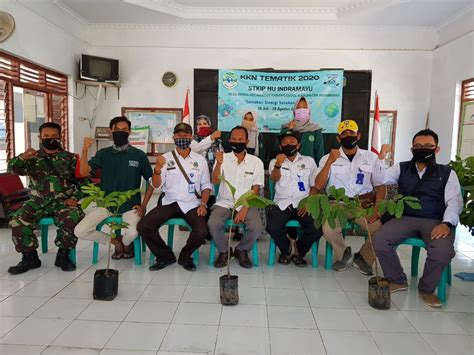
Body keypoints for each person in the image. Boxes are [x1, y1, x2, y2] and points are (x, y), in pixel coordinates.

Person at [374, 129, 463, 307]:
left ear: (436, 149)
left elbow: (455, 201)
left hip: (435, 220)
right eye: (418, 146)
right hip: (405, 217)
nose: (422, 149)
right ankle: (397, 279)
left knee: (441, 251)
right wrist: (381, 158)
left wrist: (446, 224)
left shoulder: (446, 173)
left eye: (428, 146)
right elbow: (381, 179)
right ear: (412, 149)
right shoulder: (401, 167)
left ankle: (427, 289)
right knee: (380, 239)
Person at [7, 122, 84, 274]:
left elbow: (84, 184)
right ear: (40, 138)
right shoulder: (32, 158)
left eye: (54, 136)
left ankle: (63, 255)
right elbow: (13, 169)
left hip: (63, 201)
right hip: (37, 201)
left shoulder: (70, 158)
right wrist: (24, 156)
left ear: (60, 137)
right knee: (17, 220)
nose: (50, 139)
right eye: (46, 136)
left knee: (72, 218)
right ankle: (30, 258)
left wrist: (75, 198)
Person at [75, 116, 154, 259]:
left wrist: (143, 205)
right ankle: (116, 243)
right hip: (105, 205)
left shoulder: (138, 155)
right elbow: (83, 172)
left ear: (130, 132)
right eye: (116, 129)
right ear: (111, 131)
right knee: (80, 231)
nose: (120, 132)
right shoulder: (103, 154)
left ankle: (126, 244)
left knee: (132, 233)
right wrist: (85, 150)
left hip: (131, 206)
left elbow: (152, 181)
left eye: (124, 129)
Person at [137, 123, 212, 272]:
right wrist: (157, 170)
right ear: (174, 137)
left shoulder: (200, 160)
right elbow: (157, 185)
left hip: (192, 203)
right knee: (144, 226)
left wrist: (203, 204)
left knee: (202, 231)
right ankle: (165, 256)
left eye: (186, 135)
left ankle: (185, 257)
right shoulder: (164, 159)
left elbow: (206, 186)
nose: (182, 138)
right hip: (169, 203)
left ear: (191, 137)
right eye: (179, 135)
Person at [315, 120, 388, 273]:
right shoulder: (327, 158)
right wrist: (329, 162)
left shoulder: (371, 157)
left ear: (358, 135)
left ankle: (363, 258)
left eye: (351, 133)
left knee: (378, 229)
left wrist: (377, 207)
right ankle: (343, 253)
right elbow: (318, 185)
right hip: (336, 204)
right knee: (328, 229)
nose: (348, 136)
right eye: (344, 134)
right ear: (338, 138)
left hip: (363, 203)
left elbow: (381, 185)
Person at [208, 126, 264, 269]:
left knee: (256, 226)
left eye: (240, 139)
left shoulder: (256, 162)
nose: (237, 142)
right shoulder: (223, 158)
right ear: (229, 140)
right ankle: (224, 251)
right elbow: (214, 181)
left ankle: (241, 250)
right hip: (224, 202)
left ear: (247, 141)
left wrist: (245, 209)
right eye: (234, 139)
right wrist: (218, 164)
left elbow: (255, 189)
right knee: (213, 223)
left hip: (246, 203)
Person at [267, 130, 322, 266]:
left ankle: (298, 251)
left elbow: (315, 186)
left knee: (316, 228)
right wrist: (278, 164)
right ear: (280, 147)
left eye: (292, 142)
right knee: (272, 226)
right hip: (282, 203)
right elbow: (274, 179)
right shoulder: (275, 161)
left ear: (298, 145)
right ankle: (286, 250)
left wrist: (308, 203)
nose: (288, 144)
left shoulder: (309, 161)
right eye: (284, 142)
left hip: (303, 203)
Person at [281, 96, 324, 163]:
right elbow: (278, 148)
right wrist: (288, 130)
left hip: (309, 168)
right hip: (288, 167)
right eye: (298, 107)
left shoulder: (315, 129)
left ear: (309, 110)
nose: (301, 110)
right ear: (294, 110)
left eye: (305, 107)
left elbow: (319, 152)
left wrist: (319, 169)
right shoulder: (286, 127)